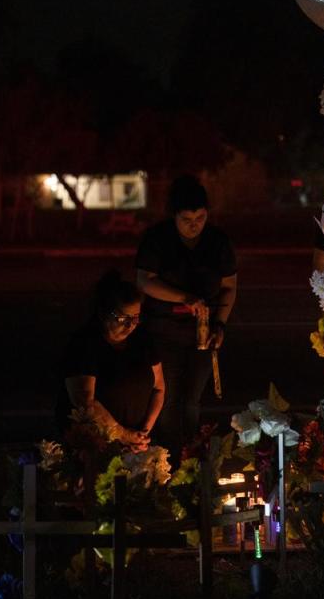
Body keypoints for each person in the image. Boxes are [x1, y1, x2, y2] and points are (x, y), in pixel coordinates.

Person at [135, 175, 237, 455]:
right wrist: (184, 298)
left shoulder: (218, 242)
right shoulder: (157, 240)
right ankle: (165, 456)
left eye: (200, 218)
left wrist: (220, 325)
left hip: (202, 335)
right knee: (167, 398)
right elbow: (145, 280)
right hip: (163, 332)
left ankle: (192, 456)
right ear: (173, 216)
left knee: (192, 400)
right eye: (186, 219)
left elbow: (229, 287)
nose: (194, 226)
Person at [57, 271, 165, 452]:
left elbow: (159, 387)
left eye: (136, 318)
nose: (131, 325)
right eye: (123, 318)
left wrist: (142, 434)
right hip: (95, 444)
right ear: (103, 313)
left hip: (137, 444)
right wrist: (123, 435)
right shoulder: (85, 345)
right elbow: (85, 402)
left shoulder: (143, 340)